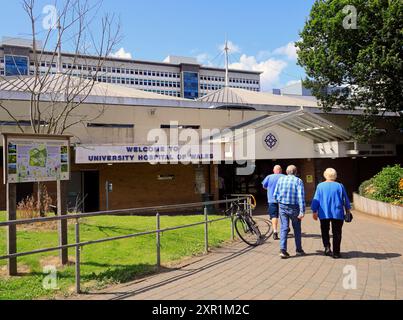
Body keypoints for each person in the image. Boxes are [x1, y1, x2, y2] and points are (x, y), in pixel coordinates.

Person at [311, 168, 351, 259]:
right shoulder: (340, 186)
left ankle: (327, 248)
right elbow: (345, 199)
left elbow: (316, 199)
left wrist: (314, 211)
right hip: (337, 213)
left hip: (324, 213)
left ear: (325, 175)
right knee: (337, 233)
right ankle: (336, 253)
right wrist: (348, 210)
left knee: (325, 231)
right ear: (335, 175)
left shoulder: (320, 186)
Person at [273, 165, 306, 259]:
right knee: (297, 229)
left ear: (287, 172)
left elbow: (275, 195)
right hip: (294, 207)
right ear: (295, 172)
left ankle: (283, 250)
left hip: (282, 206)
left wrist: (280, 200)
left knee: (284, 228)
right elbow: (301, 197)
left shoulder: (281, 180)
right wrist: (302, 211)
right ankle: (299, 250)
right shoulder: (298, 181)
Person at [262, 165, 285, 240]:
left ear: (273, 170)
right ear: (280, 170)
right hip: (283, 200)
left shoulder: (269, 177)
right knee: (284, 215)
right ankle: (285, 229)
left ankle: (275, 232)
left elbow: (264, 186)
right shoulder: (284, 177)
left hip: (272, 199)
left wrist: (269, 188)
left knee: (274, 216)